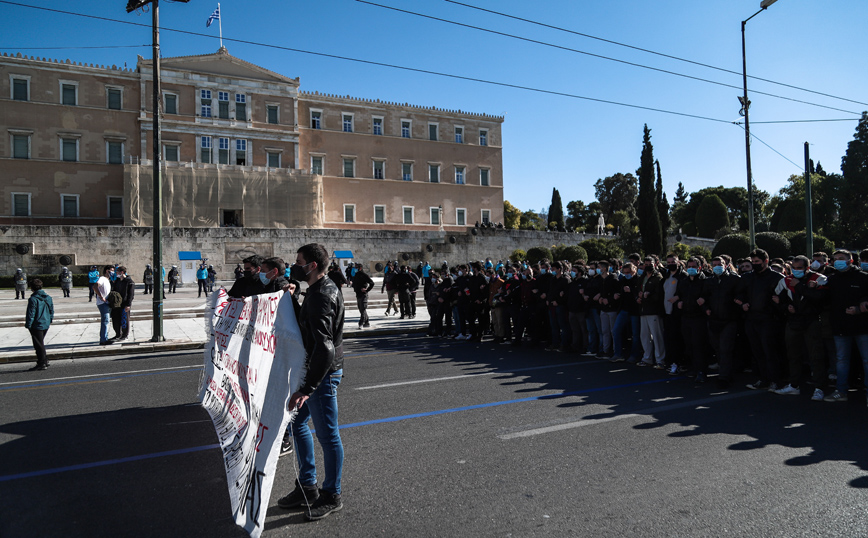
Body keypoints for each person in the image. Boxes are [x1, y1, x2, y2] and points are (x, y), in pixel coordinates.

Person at [278, 243, 345, 521]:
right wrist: (294, 298)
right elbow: (309, 325)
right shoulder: (320, 289)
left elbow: (325, 348)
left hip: (323, 375)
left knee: (328, 435)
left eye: (299, 262)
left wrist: (308, 388)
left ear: (313, 266)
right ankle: (307, 485)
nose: (295, 266)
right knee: (297, 422)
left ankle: (332, 494)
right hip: (318, 372)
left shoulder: (321, 296)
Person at [771, 255, 827, 399]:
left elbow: (819, 298)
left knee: (816, 356)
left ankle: (819, 387)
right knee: (793, 354)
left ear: (807, 268)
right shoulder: (785, 281)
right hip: (793, 321)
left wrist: (800, 286)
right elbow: (776, 300)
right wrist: (786, 307)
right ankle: (794, 384)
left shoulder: (819, 279)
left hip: (812, 321)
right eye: (794, 268)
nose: (796, 271)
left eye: (799, 268)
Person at [823, 249, 868, 402]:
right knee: (841, 360)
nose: (838, 261)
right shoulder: (832, 279)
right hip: (840, 326)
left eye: (841, 258)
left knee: (866, 360)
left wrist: (858, 308)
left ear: (851, 261)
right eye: (835, 259)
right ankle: (841, 391)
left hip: (862, 326)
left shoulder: (863, 278)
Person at [738, 249, 785, 391]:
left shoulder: (777, 277)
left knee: (770, 351)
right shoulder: (747, 277)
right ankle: (763, 378)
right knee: (757, 351)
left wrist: (778, 303)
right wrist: (743, 303)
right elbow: (739, 294)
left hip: (769, 320)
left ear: (765, 261)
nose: (754, 264)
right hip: (751, 319)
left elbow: (784, 297)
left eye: (757, 262)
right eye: (752, 262)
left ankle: (774, 380)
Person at [702, 256, 741, 389]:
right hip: (713, 320)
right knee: (717, 348)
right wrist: (705, 308)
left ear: (726, 265)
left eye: (720, 264)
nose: (717, 266)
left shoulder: (734, 280)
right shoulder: (709, 281)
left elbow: (741, 295)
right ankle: (726, 370)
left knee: (725, 349)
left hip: (728, 320)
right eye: (715, 264)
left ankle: (724, 377)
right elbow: (704, 298)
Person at [24, 279, 53, 371]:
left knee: (38, 345)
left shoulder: (33, 299)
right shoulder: (48, 297)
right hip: (45, 323)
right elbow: (51, 311)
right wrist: (49, 320)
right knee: (40, 343)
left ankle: (42, 363)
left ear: (31, 288)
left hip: (36, 324)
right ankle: (45, 360)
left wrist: (28, 324)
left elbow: (31, 313)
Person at [110, 266, 135, 341]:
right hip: (116, 304)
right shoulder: (117, 281)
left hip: (124, 304)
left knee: (124, 319)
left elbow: (131, 294)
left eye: (117, 272)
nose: (116, 273)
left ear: (122, 272)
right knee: (115, 319)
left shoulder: (129, 281)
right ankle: (118, 334)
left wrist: (128, 304)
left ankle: (124, 335)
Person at [351, 263, 374, 328]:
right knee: (361, 309)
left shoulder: (364, 275)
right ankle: (367, 322)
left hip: (363, 294)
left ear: (360, 268)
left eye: (356, 267)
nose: (355, 269)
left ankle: (361, 323)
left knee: (363, 308)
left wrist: (367, 290)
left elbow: (371, 283)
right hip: (358, 294)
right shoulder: (356, 275)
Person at [95, 265, 114, 345]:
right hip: (102, 303)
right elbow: (95, 286)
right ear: (107, 271)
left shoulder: (108, 280)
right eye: (112, 270)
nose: (113, 272)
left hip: (106, 302)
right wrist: (101, 296)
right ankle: (103, 339)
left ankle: (105, 337)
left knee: (106, 320)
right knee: (105, 320)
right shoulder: (102, 279)